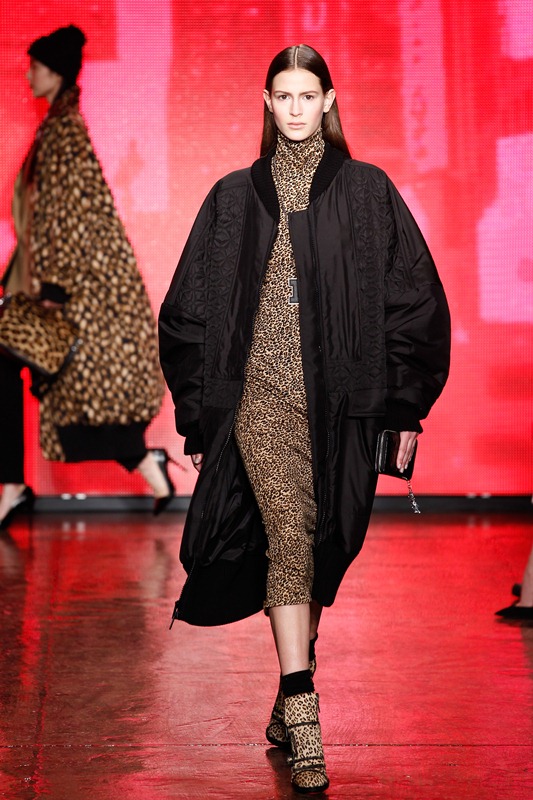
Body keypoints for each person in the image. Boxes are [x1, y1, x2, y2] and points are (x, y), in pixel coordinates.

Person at [159, 44, 451, 793]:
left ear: (328, 101)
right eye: (282, 96)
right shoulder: (232, 197)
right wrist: (200, 415)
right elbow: (188, 310)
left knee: (322, 546)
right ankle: (303, 706)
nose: (294, 108)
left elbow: (413, 298)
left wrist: (403, 405)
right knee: (290, 535)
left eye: (306, 96)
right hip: (257, 400)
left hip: (342, 403)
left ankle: (289, 684)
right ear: (267, 102)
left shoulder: (367, 192)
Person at [0, 25, 172, 529]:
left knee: (71, 389)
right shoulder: (57, 126)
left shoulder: (64, 131)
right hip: (64, 284)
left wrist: (53, 287)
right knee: (70, 389)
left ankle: (12, 485)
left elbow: (68, 214)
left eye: (35, 67)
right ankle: (146, 464)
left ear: (54, 73)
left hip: (73, 290)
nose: (28, 76)